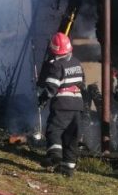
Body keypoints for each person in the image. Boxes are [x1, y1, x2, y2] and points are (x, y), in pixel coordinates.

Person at [37, 32, 86, 177]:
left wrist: (42, 99)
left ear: (54, 50)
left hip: (62, 104)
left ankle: (55, 156)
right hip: (77, 105)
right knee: (71, 137)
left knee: (54, 130)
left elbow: (51, 88)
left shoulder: (56, 65)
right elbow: (82, 83)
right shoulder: (77, 63)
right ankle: (68, 169)